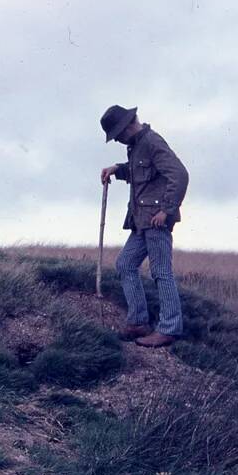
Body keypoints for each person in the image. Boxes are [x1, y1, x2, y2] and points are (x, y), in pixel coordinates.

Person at [99, 105, 189, 348]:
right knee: (125, 264)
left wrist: (167, 210)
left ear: (129, 125)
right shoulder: (136, 145)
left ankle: (169, 329)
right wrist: (117, 169)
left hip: (156, 221)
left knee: (161, 272)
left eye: (118, 134)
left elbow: (179, 174)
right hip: (141, 221)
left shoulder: (152, 141)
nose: (117, 139)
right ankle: (138, 322)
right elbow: (141, 172)